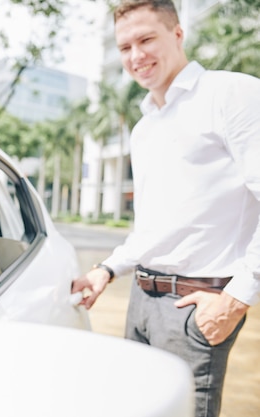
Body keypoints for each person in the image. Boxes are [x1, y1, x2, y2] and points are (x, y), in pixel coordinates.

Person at [71, 1, 260, 416]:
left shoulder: (232, 94)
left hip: (196, 307)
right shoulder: (144, 128)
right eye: (124, 47)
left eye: (146, 39)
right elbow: (153, 229)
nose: (135, 56)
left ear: (177, 33)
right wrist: (107, 270)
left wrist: (236, 299)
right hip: (140, 299)